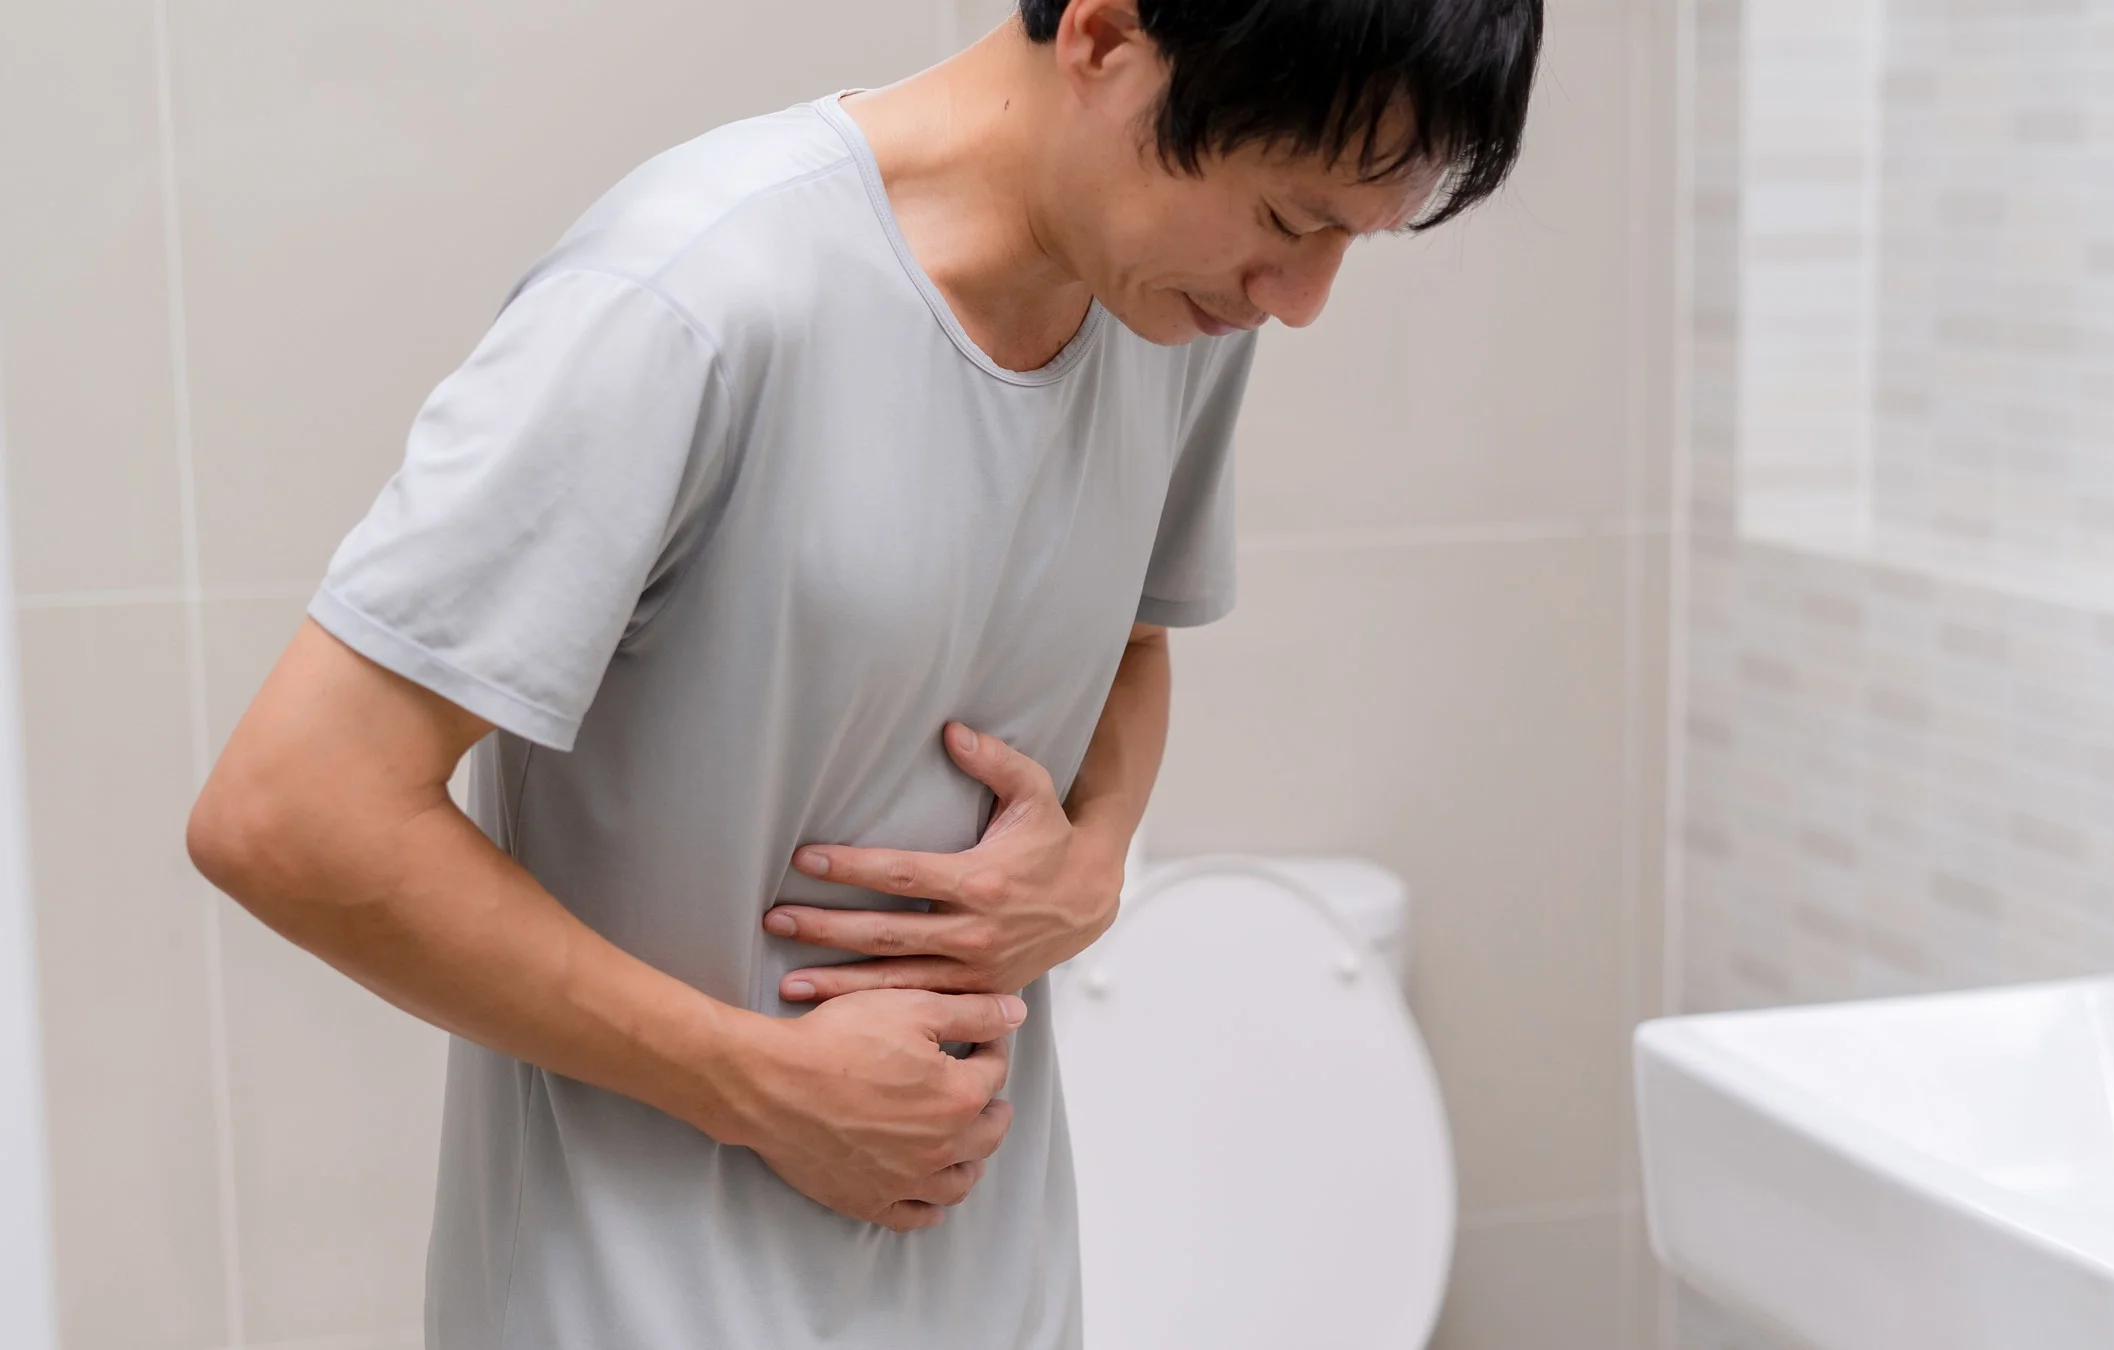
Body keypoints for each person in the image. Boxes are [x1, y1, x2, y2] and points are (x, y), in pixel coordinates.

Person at [187, 1, 1541, 1345]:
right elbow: (293, 812)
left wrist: (1095, 855)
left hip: (1000, 1286)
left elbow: (1127, 633)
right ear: (1105, 37)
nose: (1298, 303)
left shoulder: (1171, 314)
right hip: (640, 1297)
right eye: (1292, 221)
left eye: (1350, 243)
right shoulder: (688, 296)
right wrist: (762, 1086)